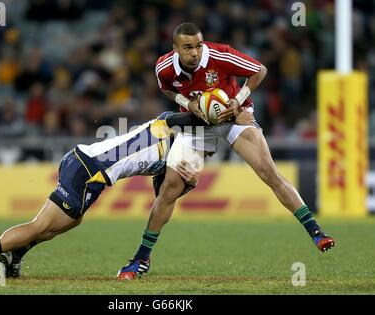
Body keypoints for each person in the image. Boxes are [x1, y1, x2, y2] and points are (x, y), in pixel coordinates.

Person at [116, 23, 335, 280]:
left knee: (268, 172)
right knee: (169, 188)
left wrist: (238, 100)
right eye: (188, 48)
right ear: (175, 49)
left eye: (198, 45)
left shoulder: (219, 55)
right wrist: (188, 104)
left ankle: (316, 231)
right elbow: (166, 88)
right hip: (198, 124)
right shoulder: (163, 67)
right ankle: (141, 258)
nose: (195, 52)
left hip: (235, 118)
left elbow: (259, 70)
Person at [0, 111, 208, 277]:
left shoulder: (168, 158)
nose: (197, 154)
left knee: (69, 220)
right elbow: (174, 117)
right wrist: (211, 114)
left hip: (82, 163)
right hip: (88, 170)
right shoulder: (165, 129)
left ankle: (15, 255)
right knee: (40, 226)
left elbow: (161, 195)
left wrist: (188, 182)